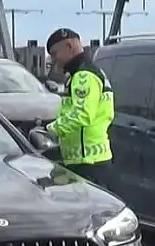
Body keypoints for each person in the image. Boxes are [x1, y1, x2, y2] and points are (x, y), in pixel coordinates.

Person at [44, 28, 115, 185]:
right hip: (90, 160)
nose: (54, 59)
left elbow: (83, 114)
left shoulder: (84, 75)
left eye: (55, 53)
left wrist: (50, 129)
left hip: (87, 163)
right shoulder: (85, 72)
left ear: (69, 47)